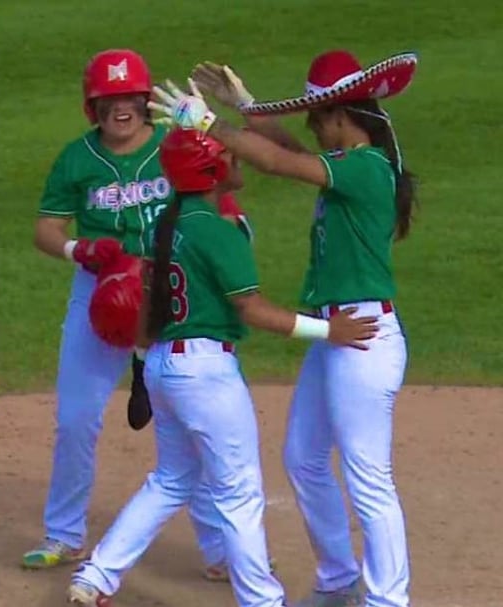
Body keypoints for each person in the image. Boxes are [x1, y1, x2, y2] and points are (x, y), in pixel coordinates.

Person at [68, 128, 378, 607]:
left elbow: (147, 312)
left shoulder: (162, 226)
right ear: (211, 170)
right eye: (228, 156)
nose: (238, 161)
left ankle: (96, 577)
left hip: (164, 366)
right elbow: (251, 309)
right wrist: (327, 330)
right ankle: (262, 601)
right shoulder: (217, 231)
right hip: (206, 373)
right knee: (238, 492)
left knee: (171, 480)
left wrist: (142, 371)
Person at [153, 49, 418, 607]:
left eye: (318, 116)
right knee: (303, 457)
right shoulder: (350, 165)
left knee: (369, 477)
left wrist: (206, 122)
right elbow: (291, 153)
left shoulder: (366, 168)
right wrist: (247, 106)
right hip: (338, 330)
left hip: (363, 335)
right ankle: (338, 579)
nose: (312, 127)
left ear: (342, 116)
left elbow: (277, 162)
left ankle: (387, 600)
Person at [25, 47, 239, 577]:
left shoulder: (174, 145)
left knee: (194, 424)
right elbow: (46, 229)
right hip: (102, 294)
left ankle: (220, 549)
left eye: (129, 98)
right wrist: (78, 249)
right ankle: (64, 534)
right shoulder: (77, 158)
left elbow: (223, 188)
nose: (120, 108)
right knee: (76, 417)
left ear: (145, 102)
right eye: (108, 99)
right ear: (92, 105)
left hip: (171, 289)